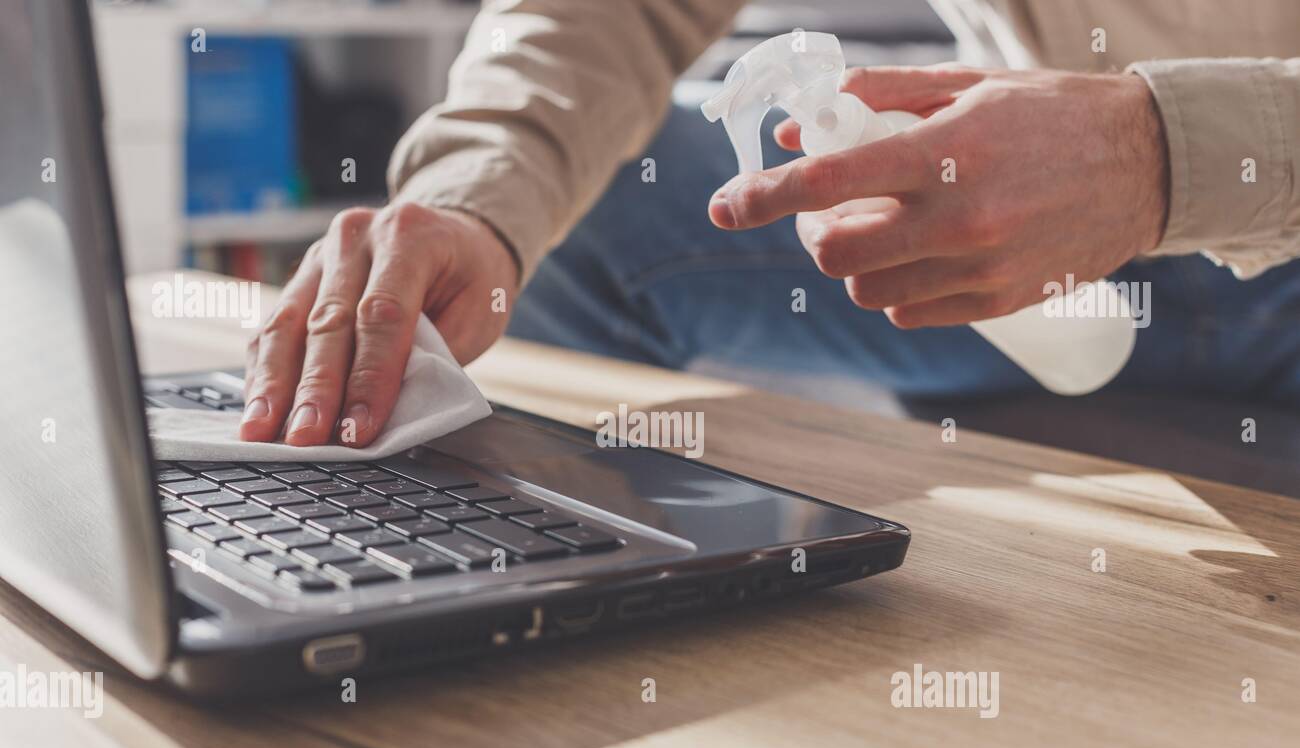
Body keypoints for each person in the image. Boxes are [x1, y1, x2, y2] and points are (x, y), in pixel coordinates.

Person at [239, 0, 1300, 448]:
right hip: (1024, 231)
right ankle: (531, 599)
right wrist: (476, 196)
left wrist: (1156, 154)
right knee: (550, 232)